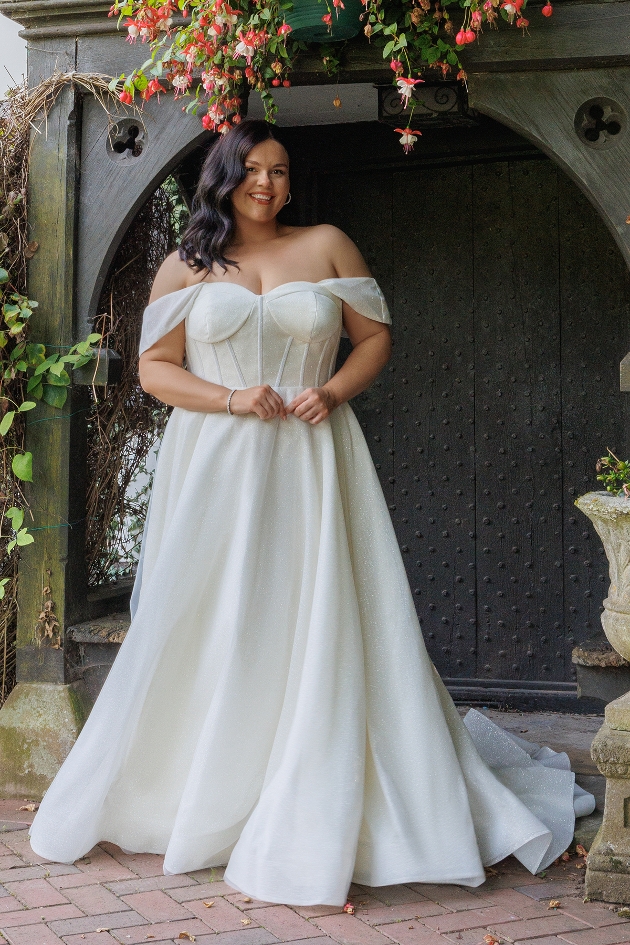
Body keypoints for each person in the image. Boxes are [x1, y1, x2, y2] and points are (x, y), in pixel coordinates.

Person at [29, 119, 594, 907]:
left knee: (319, 608)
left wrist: (329, 389)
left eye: (281, 170)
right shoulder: (186, 265)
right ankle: (203, 786)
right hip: (218, 464)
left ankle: (321, 772)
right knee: (220, 613)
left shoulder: (328, 243)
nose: (269, 183)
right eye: (253, 169)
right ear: (223, 177)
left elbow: (375, 340)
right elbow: (156, 372)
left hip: (312, 455)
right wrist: (230, 395)